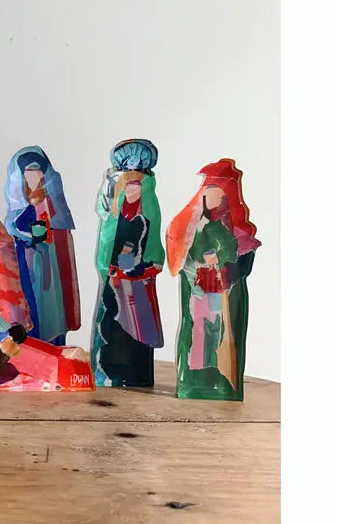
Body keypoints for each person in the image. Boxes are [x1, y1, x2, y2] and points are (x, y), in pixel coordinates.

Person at [166, 159, 261, 400]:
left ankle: (223, 381)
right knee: (198, 335)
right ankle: (194, 379)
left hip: (223, 292)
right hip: (199, 291)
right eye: (208, 195)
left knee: (220, 334)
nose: (212, 200)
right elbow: (184, 256)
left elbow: (240, 259)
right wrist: (199, 265)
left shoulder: (238, 232)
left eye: (218, 195)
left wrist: (222, 263)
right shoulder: (193, 227)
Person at [91, 140, 165, 388]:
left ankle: (136, 372)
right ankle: (107, 370)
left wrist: (141, 265)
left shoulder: (148, 210)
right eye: (129, 186)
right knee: (112, 320)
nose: (133, 191)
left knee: (138, 326)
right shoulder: (114, 213)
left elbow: (151, 241)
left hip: (137, 278)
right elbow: (108, 241)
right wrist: (115, 266)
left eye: (137, 186)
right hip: (116, 275)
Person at [4, 146, 80, 345]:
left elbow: (60, 230)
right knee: (32, 301)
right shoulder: (19, 209)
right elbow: (13, 227)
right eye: (28, 174)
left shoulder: (53, 204)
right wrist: (29, 237)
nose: (34, 178)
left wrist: (47, 238)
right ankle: (34, 342)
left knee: (52, 303)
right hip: (27, 261)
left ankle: (55, 343)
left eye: (38, 173)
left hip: (51, 262)